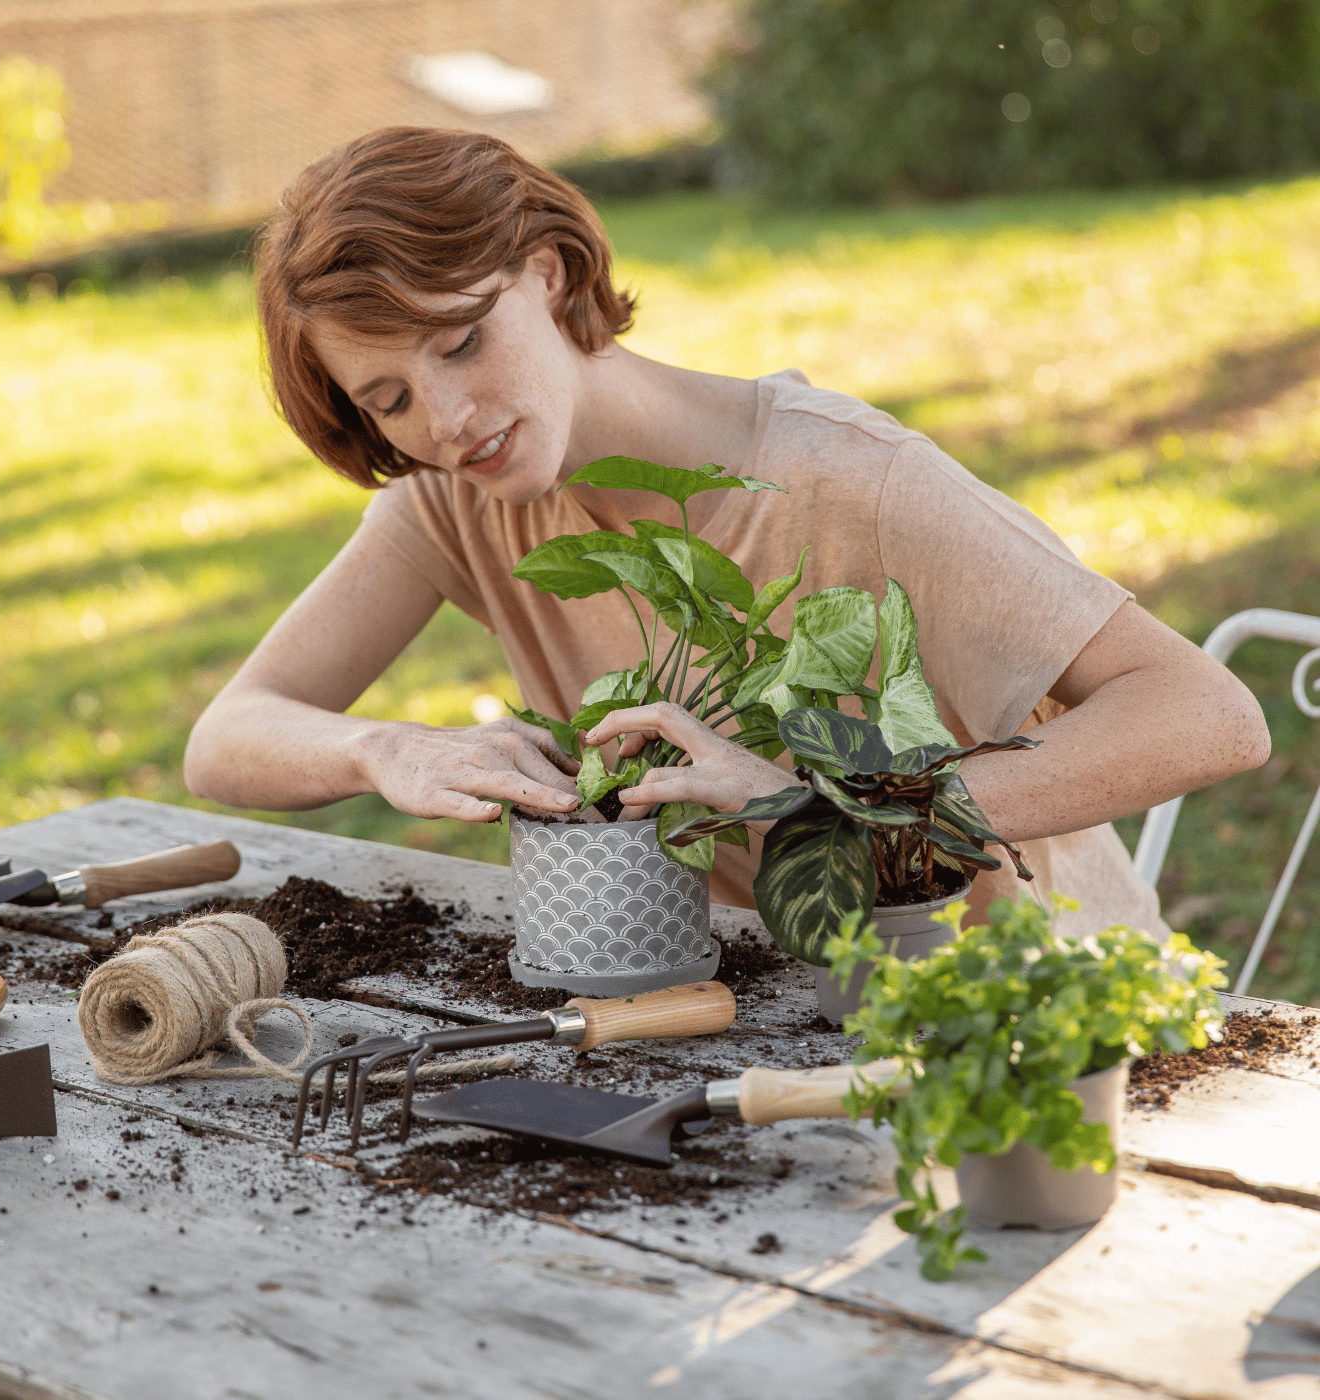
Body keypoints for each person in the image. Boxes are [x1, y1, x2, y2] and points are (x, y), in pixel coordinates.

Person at [183, 126, 1270, 938]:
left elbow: (1208, 713)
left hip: (1023, 1015)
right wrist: (387, 746)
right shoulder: (458, 497)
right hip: (747, 1010)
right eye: (389, 400)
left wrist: (838, 807)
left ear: (547, 272)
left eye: (462, 339)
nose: (446, 418)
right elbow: (226, 738)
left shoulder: (844, 476)